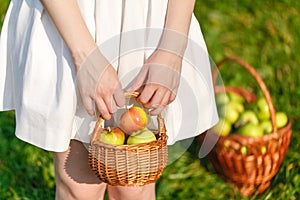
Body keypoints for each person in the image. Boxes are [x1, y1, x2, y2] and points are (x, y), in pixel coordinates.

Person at [0, 0, 218, 199]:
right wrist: (85, 57)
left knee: (134, 184)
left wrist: (172, 49)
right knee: (78, 185)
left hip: (147, 16)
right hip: (71, 16)